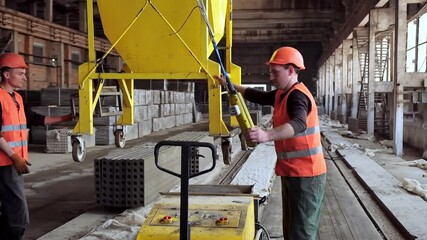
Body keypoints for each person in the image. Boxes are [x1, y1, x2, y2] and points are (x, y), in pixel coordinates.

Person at [214, 46, 327, 240]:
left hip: (307, 175)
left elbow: (299, 123)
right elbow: (257, 95)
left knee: (302, 233)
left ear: (291, 70)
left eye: (275, 72)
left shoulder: (298, 96)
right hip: (293, 172)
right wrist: (230, 85)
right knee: (292, 230)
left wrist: (266, 135)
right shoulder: (282, 94)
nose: (271, 77)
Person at [0, 53, 74, 240]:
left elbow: (35, 119)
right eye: (20, 73)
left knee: (9, 212)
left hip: (13, 163)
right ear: (6, 75)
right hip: (5, 163)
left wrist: (65, 118)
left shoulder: (16, 97)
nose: (25, 78)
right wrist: (14, 156)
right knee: (18, 218)